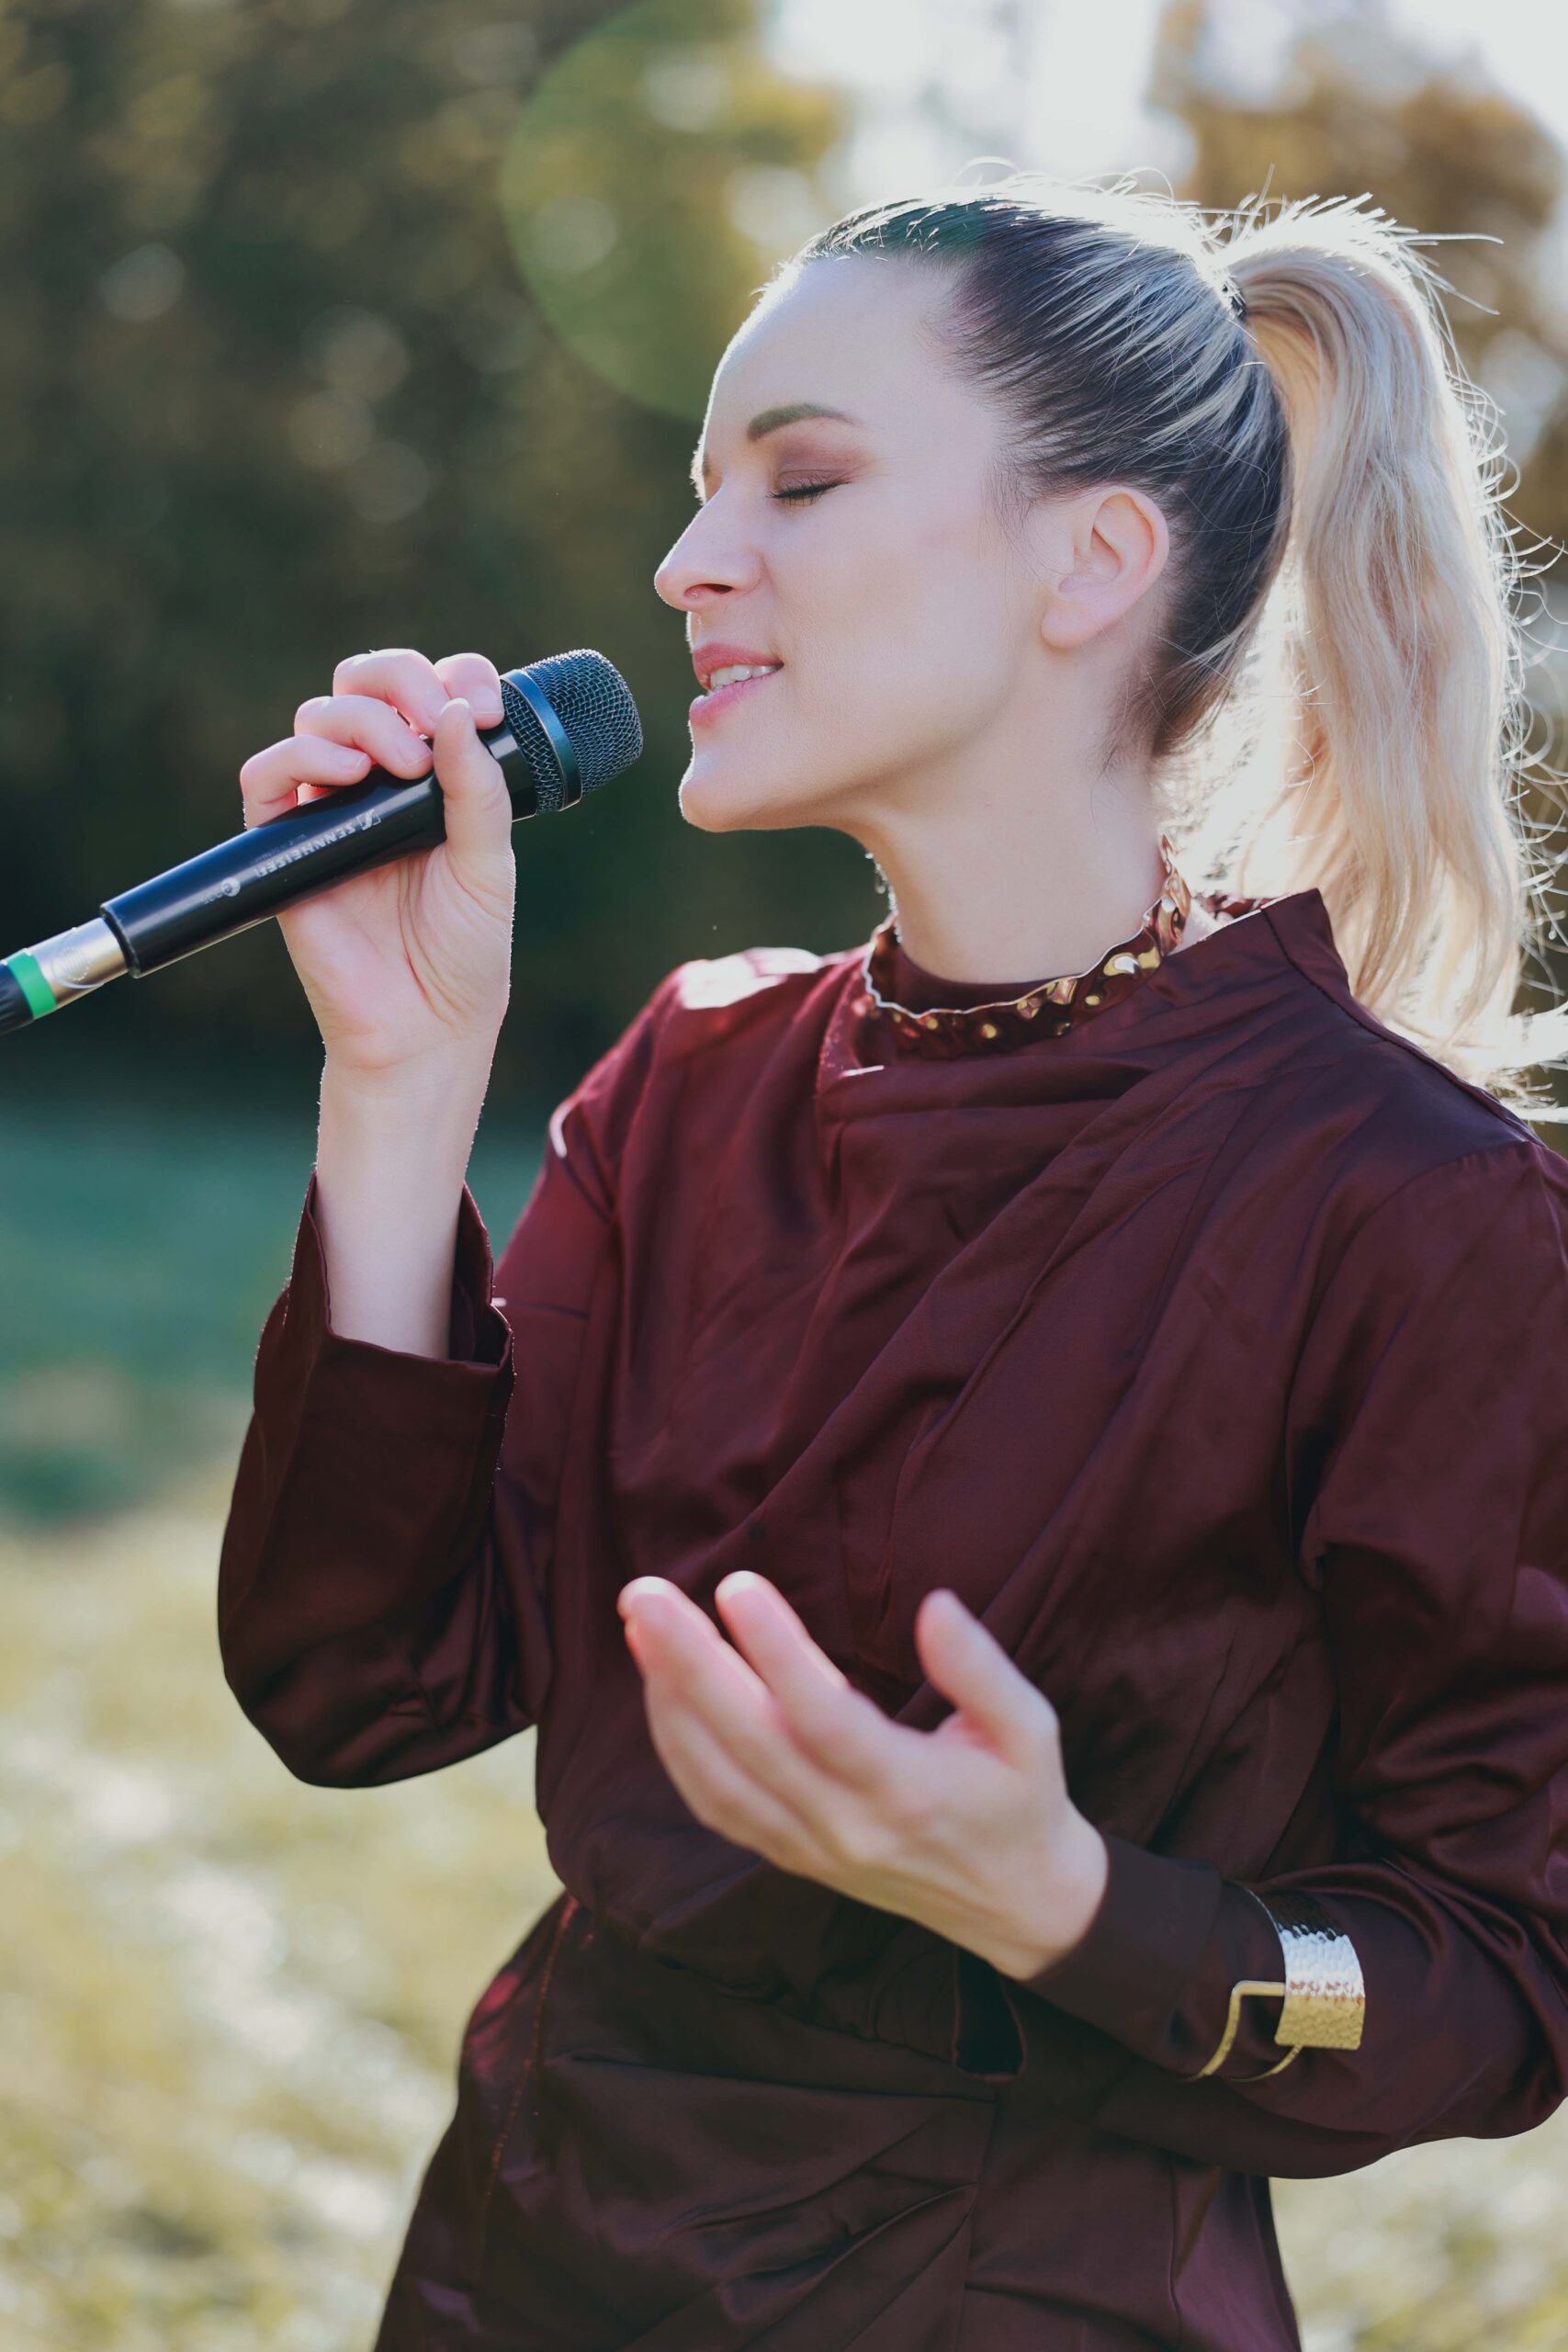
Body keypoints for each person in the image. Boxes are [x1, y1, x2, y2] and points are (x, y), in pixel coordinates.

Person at [217, 178, 1568, 2352]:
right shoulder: (690, 1076)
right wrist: (395, 1072)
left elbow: (1504, 1976)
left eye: (803, 477)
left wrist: (1074, 1904)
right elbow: (356, 1685)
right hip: (515, 2262)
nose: (685, 562)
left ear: (1090, 559)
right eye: (697, 487)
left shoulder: (1408, 1207)